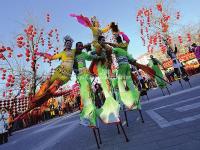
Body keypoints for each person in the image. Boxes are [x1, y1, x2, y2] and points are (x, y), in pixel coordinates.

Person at [74, 41, 105, 127]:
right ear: (76, 47)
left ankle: (91, 112)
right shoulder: (74, 55)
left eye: (81, 45)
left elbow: (90, 57)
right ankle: (84, 116)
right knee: (86, 93)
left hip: (86, 75)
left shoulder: (83, 54)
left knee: (91, 94)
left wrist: (99, 56)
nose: (80, 47)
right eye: (79, 46)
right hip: (80, 76)